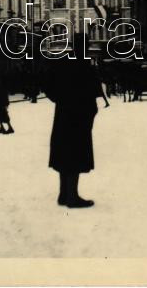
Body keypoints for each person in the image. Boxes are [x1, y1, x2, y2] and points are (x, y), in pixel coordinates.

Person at [43, 34, 105, 208]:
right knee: (76, 154)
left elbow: (47, 84)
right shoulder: (85, 66)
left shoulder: (61, 62)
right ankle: (72, 197)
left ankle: (63, 194)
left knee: (64, 153)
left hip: (63, 115)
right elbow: (94, 91)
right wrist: (90, 111)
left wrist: (60, 99)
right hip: (79, 117)